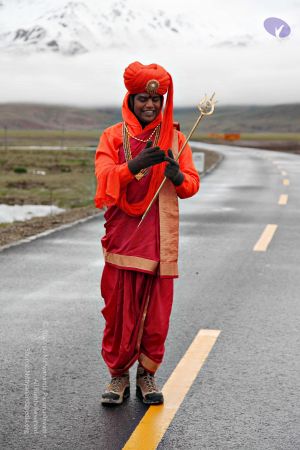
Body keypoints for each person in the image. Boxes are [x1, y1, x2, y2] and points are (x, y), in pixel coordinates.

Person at [94, 61, 200, 406]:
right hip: (125, 238)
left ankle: (147, 375)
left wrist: (177, 176)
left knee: (155, 315)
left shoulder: (177, 139)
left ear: (163, 102)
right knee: (119, 311)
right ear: (131, 98)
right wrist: (134, 166)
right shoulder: (112, 136)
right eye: (143, 99)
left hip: (159, 240)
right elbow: (103, 177)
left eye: (156, 100)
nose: (150, 105)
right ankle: (118, 376)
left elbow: (192, 185)